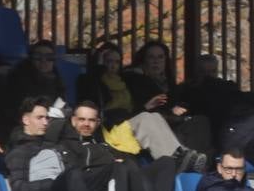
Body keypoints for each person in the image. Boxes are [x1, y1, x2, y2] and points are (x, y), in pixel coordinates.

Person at [6, 97, 136, 191]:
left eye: (47, 118)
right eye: (39, 118)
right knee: (72, 174)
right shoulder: (19, 151)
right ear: (26, 120)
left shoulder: (52, 144)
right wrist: (55, 182)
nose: (45, 122)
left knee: (117, 169)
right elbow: (19, 189)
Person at [76, 43, 208, 172]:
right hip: (109, 126)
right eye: (108, 61)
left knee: (154, 116)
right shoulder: (90, 80)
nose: (112, 65)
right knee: (146, 118)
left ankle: (183, 155)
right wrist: (99, 68)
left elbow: (132, 110)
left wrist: (146, 106)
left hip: (127, 121)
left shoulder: (122, 81)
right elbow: (91, 99)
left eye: (117, 61)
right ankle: (174, 160)